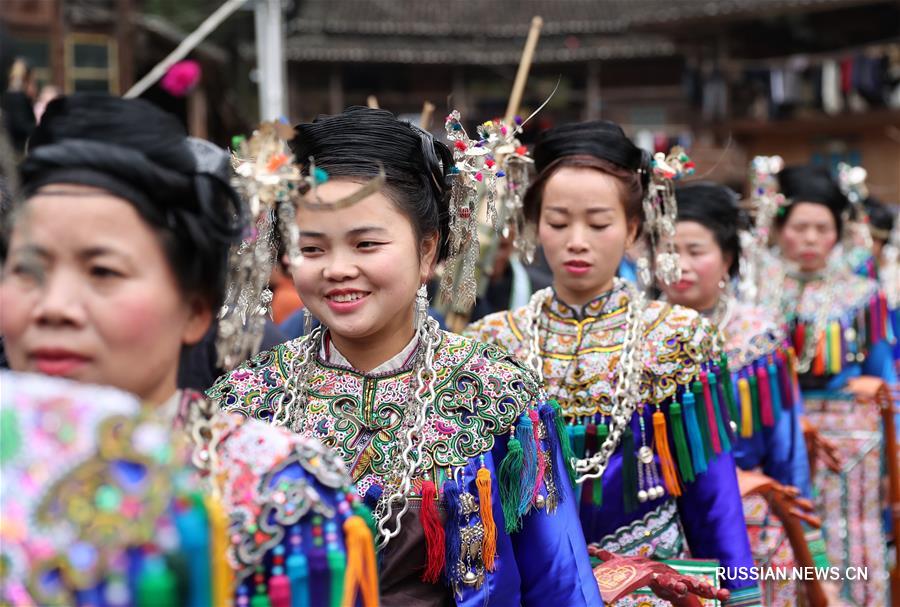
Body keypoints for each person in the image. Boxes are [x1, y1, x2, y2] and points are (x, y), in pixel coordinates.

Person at [207, 107, 604, 606]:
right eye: (312, 249)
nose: (338, 269)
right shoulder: (246, 402)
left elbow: (559, 582)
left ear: (427, 251)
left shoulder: (497, 396)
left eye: (366, 243)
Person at [0, 93, 377, 606]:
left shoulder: (278, 495)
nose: (54, 307)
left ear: (196, 308)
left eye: (103, 272)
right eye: (28, 270)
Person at [464, 121, 760, 606]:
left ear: (634, 229)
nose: (577, 241)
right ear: (534, 225)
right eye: (558, 223)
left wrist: (740, 595)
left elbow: (713, 502)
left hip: (655, 589)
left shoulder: (678, 339)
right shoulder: (492, 344)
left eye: (599, 224)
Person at [657, 182, 813, 606]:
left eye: (696, 250)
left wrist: (810, 553)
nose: (681, 265)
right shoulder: (634, 334)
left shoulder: (758, 337)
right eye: (669, 250)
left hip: (750, 520)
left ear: (726, 258)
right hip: (657, 529)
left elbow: (787, 450)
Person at [757, 164, 897, 605]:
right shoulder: (754, 295)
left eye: (823, 228)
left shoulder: (861, 294)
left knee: (848, 534)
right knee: (780, 533)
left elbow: (883, 376)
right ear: (779, 229)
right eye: (800, 227)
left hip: (849, 442)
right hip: (775, 434)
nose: (811, 239)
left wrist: (874, 392)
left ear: (839, 232)